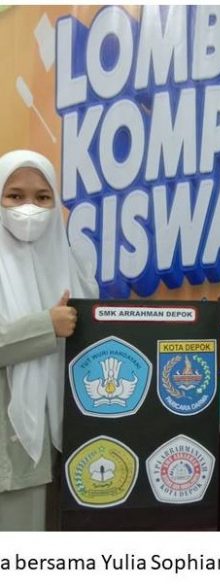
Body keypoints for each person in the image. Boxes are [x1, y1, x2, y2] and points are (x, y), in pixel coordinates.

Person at [0, 150, 98, 530]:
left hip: (67, 439)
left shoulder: (71, 266)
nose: (29, 208)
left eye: (42, 197)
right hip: (10, 440)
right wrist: (46, 325)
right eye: (15, 196)